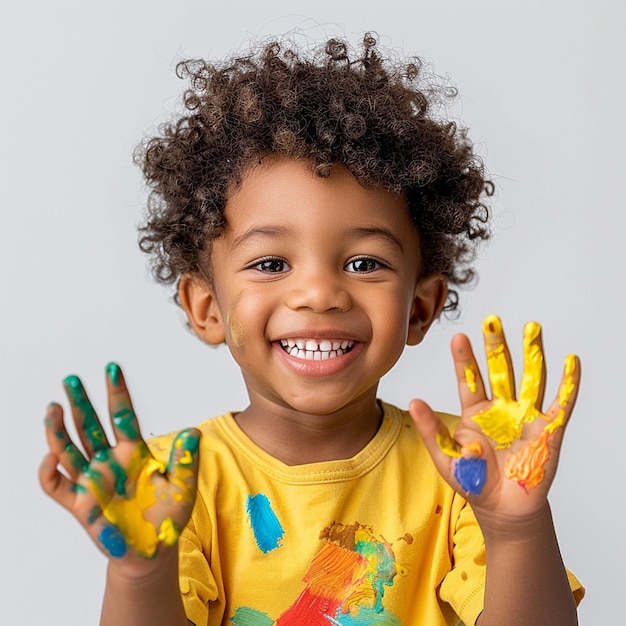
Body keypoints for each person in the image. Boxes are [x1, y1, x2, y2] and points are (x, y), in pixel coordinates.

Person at [39, 34, 584, 625]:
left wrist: (516, 526)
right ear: (207, 308)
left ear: (420, 308)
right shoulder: (174, 483)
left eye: (364, 263)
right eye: (271, 264)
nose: (319, 294)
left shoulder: (464, 469)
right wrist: (140, 571)